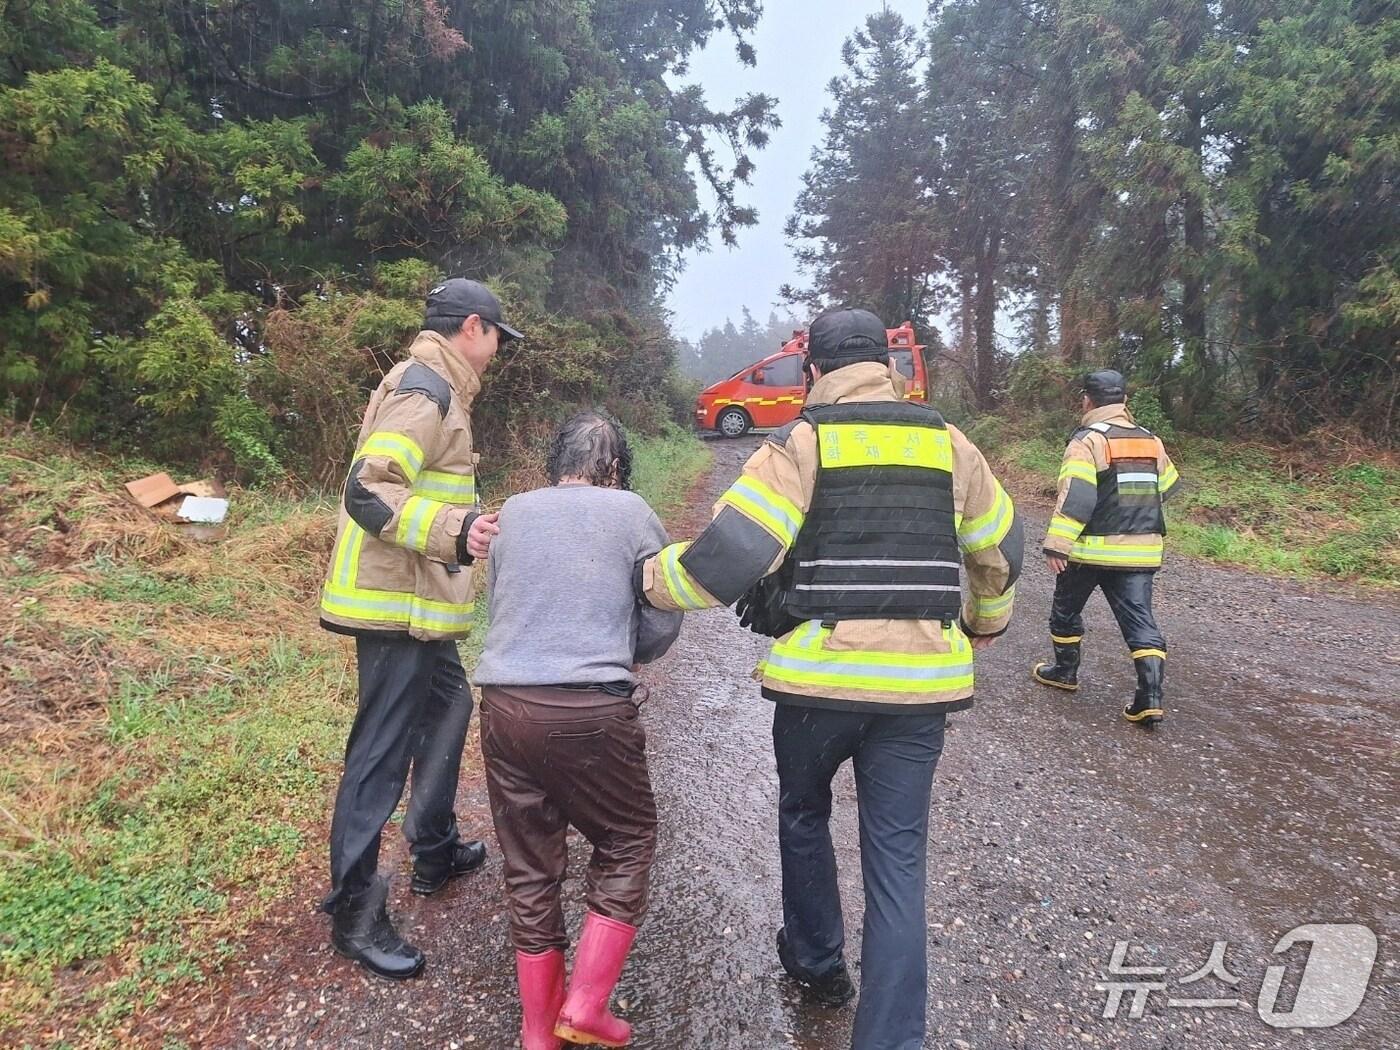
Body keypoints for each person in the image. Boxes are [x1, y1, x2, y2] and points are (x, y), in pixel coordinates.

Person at [639, 308, 1023, 1050]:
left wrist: (645, 580)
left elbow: (727, 558)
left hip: (818, 687)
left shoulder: (803, 442)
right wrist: (987, 623)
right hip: (917, 695)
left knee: (804, 812)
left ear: (812, 370)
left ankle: (817, 962)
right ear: (888, 364)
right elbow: (1001, 545)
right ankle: (891, 1040)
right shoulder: (950, 443)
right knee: (898, 861)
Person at [317, 278, 520, 979]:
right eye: (498, 336)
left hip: (418, 606)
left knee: (453, 705)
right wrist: (458, 529)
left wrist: (464, 521)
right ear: (473, 327)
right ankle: (355, 912)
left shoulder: (439, 388)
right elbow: (369, 489)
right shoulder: (426, 390)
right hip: (394, 607)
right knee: (379, 757)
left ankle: (432, 847)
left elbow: (423, 487)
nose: (499, 351)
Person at [473, 411, 682, 1050]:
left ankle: (539, 1032)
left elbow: (504, 598)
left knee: (530, 865)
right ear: (616, 465)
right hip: (589, 708)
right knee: (626, 839)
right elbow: (659, 613)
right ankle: (586, 1005)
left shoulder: (515, 513)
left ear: (554, 458)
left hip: (504, 706)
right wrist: (630, 646)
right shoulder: (631, 511)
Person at [1031, 369, 1181, 728]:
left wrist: (1057, 545)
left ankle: (1065, 672)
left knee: (1065, 611)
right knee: (1140, 621)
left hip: (1090, 552)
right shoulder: (1151, 441)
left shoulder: (1088, 441)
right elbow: (1169, 486)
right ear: (1125, 401)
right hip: (1141, 552)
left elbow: (1077, 497)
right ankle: (1150, 698)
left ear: (1087, 400)